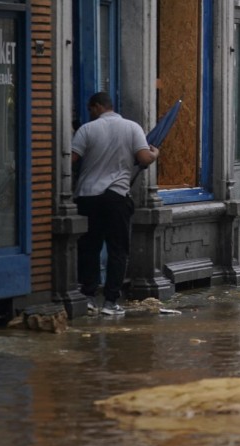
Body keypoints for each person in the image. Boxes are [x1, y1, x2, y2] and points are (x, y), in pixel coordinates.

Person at [71, 92, 159, 315]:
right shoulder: (132, 128)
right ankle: (111, 302)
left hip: (88, 196)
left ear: (98, 107)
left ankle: (89, 296)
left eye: (91, 109)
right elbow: (143, 158)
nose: (90, 113)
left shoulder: (86, 130)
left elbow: (70, 158)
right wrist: (154, 154)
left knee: (89, 248)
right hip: (116, 197)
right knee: (118, 250)